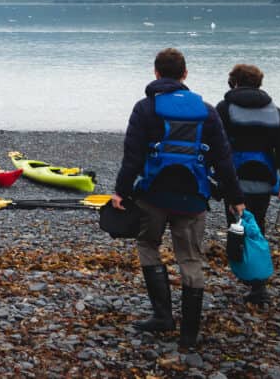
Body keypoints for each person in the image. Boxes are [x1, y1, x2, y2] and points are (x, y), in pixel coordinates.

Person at [111, 48, 245, 349]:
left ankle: (162, 316)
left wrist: (120, 191)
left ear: (156, 73)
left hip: (154, 196)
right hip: (193, 199)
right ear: (185, 74)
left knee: (148, 245)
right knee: (190, 259)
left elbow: (132, 157)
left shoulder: (145, 108)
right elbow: (224, 160)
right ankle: (189, 334)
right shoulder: (207, 111)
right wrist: (236, 198)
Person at [216, 63, 280, 305]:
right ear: (259, 83)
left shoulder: (224, 108)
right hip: (263, 180)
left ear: (234, 82)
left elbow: (217, 146)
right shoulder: (276, 112)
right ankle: (256, 282)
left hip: (234, 179)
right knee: (256, 225)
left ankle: (251, 278)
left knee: (237, 225)